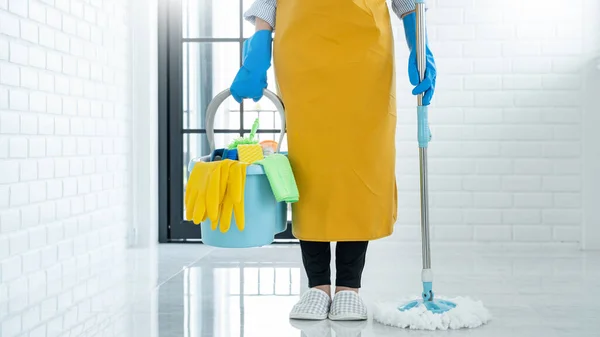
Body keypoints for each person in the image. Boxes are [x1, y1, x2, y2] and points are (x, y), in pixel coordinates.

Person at [230, 0, 436, 321]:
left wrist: (418, 42)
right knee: (310, 166)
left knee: (362, 163)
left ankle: (348, 290)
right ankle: (317, 287)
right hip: (302, 54)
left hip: (366, 54)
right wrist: (259, 47)